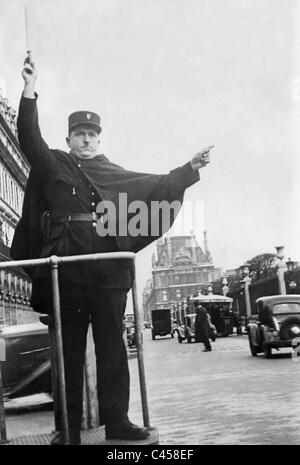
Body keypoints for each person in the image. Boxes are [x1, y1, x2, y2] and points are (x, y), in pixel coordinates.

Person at [11, 57, 213, 445]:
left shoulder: (113, 171)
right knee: (68, 357)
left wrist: (188, 169)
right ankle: (67, 430)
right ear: (68, 138)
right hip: (66, 276)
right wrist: (30, 89)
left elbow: (155, 186)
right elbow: (28, 136)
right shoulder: (53, 163)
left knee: (113, 352)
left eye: (91, 134)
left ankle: (118, 422)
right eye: (79, 134)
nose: (86, 140)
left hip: (108, 276)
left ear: (99, 140)